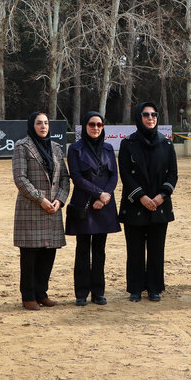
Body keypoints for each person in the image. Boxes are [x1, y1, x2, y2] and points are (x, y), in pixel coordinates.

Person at [118, 102, 178, 302]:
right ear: (139, 117)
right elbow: (125, 174)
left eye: (154, 114)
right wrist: (142, 197)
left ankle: (154, 288)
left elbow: (173, 174)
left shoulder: (166, 143)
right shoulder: (128, 144)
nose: (150, 118)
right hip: (135, 204)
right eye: (146, 114)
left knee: (156, 249)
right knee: (134, 249)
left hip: (159, 205)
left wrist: (161, 196)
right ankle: (135, 288)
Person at [13, 112, 70, 310]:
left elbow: (64, 178)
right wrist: (41, 199)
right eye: (39, 123)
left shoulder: (55, 148)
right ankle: (28, 296)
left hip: (53, 209)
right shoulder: (22, 146)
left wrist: (60, 201)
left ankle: (41, 293)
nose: (43, 126)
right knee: (30, 254)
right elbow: (20, 178)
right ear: (32, 125)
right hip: (32, 208)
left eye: (46, 123)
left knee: (49, 253)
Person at [66, 112, 121, 306]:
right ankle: (81, 293)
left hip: (104, 206)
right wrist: (99, 194)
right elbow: (76, 177)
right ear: (85, 126)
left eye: (99, 124)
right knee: (83, 250)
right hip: (84, 203)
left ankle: (98, 292)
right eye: (91, 124)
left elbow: (113, 176)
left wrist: (105, 197)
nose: (96, 128)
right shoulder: (75, 148)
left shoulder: (107, 147)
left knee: (100, 250)